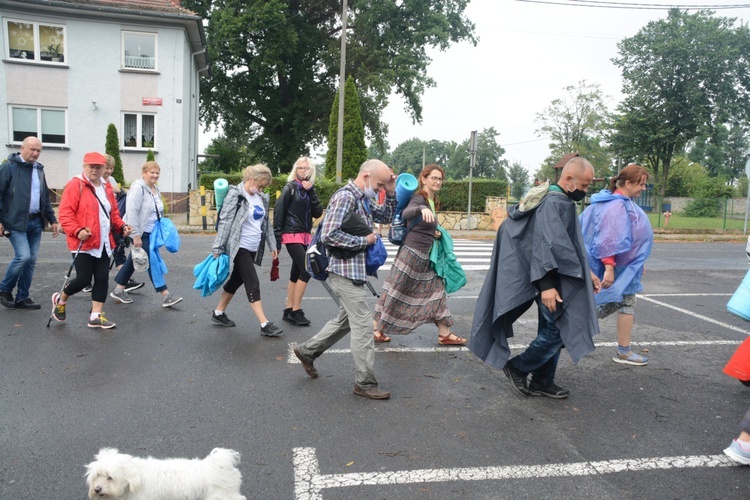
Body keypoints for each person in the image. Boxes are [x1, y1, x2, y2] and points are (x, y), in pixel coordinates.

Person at [469, 157, 601, 399]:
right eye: (583, 185)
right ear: (568, 179)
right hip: (549, 279)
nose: (585, 191)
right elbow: (544, 245)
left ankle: (543, 380)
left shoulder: (551, 198)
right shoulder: (554, 201)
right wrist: (547, 287)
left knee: (553, 325)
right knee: (559, 329)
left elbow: (565, 245)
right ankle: (518, 367)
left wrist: (587, 271)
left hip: (550, 275)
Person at [293, 159, 397, 400]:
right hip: (343, 271)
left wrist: (390, 193)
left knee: (346, 321)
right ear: (367, 176)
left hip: (354, 271)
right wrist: (365, 241)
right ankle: (365, 383)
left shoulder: (362, 198)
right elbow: (329, 235)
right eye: (380, 185)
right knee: (362, 325)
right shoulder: (345, 197)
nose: (380, 189)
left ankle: (307, 352)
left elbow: (386, 215)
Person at [373, 164, 466, 345]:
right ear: (423, 179)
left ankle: (444, 333)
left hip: (426, 256)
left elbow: (425, 226)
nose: (438, 181)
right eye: (434, 178)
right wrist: (420, 209)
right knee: (396, 291)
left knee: (437, 292)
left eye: (440, 179)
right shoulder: (418, 199)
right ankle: (376, 327)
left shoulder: (432, 201)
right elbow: (408, 213)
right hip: (411, 255)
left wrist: (435, 233)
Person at [580, 164, 653, 366]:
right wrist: (610, 268)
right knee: (612, 302)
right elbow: (609, 239)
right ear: (628, 183)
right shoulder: (616, 206)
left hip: (621, 267)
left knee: (623, 302)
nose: (643, 188)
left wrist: (637, 262)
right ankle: (563, 333)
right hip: (613, 268)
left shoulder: (617, 202)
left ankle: (623, 350)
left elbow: (628, 236)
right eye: (642, 184)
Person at [54, 152, 131, 328]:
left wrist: (122, 226)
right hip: (84, 241)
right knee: (83, 279)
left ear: (104, 168)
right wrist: (77, 230)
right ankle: (61, 300)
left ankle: (95, 315)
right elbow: (65, 214)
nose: (95, 170)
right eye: (91, 166)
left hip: (104, 241)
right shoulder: (76, 185)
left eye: (98, 166)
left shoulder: (106, 187)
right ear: (84, 166)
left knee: (102, 278)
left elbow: (114, 214)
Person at [210, 164, 282, 337]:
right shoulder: (235, 195)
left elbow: (266, 224)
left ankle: (218, 313)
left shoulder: (262, 197)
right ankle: (264, 324)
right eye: (260, 185)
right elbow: (225, 222)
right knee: (252, 282)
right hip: (238, 246)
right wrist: (218, 247)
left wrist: (273, 245)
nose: (261, 189)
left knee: (236, 280)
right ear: (250, 179)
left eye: (264, 187)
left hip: (253, 247)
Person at [109, 161, 182, 307]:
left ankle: (119, 289)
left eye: (157, 173)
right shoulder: (138, 189)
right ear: (144, 173)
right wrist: (135, 235)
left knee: (133, 260)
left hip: (151, 232)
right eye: (152, 172)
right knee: (152, 261)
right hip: (138, 231)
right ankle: (165, 295)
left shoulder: (155, 189)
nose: (155, 175)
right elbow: (132, 213)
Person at [0, 136, 60, 309]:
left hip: (35, 222)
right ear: (22, 147)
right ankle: (4, 289)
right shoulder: (8, 167)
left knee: (31, 260)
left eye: (38, 150)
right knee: (23, 256)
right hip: (15, 222)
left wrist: (52, 219)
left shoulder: (39, 170)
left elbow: (45, 198)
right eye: (32, 149)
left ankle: (22, 297)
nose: (35, 153)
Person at [273, 156, 323, 326]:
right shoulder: (290, 188)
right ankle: (296, 310)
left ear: (311, 171)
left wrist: (312, 191)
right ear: (296, 170)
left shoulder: (308, 189)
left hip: (305, 236)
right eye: (300, 168)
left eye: (306, 168)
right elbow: (278, 214)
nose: (303, 170)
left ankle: (288, 310)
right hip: (291, 234)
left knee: (296, 273)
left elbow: (317, 212)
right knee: (306, 270)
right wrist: (277, 241)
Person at [82, 155, 143, 294]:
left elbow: (117, 204)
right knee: (95, 255)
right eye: (107, 168)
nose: (109, 171)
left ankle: (123, 280)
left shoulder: (111, 181)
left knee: (119, 250)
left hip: (113, 223)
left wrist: (120, 192)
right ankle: (86, 281)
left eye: (111, 168)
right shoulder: (91, 182)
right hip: (96, 225)